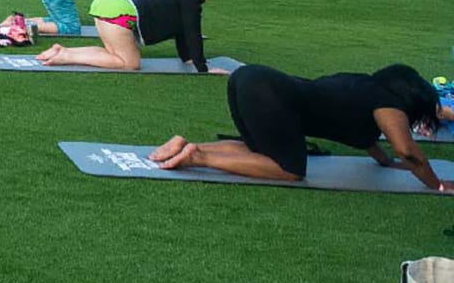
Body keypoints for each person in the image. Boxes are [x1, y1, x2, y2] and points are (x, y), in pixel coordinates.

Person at [149, 63, 450, 190]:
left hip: (248, 78)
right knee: (290, 170)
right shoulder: (389, 105)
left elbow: (370, 142)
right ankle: (197, 158)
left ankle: (189, 146)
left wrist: (387, 164)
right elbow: (407, 150)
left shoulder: (363, 86)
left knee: (259, 150)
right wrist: (436, 185)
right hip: (269, 92)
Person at [37, 0, 225, 73]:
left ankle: (62, 51)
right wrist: (204, 69)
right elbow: (192, 33)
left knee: (113, 54)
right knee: (130, 63)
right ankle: (65, 57)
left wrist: (189, 59)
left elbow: (182, 32)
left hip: (107, 8)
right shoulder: (191, 1)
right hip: (119, 14)